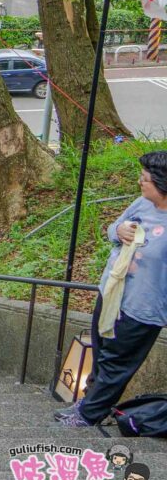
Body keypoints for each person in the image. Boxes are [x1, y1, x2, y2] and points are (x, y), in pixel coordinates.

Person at [56, 151, 167, 427]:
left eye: (146, 179)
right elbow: (111, 228)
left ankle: (88, 415)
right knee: (102, 352)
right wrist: (119, 231)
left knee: (117, 363)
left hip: (144, 306)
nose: (140, 182)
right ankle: (90, 403)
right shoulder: (141, 204)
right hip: (112, 293)